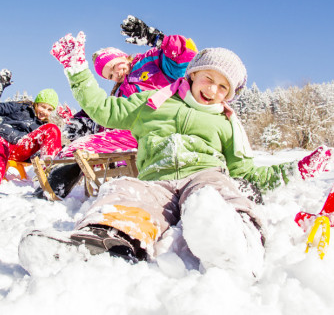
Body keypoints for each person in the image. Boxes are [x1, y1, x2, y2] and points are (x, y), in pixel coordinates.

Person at [19, 34, 334, 277]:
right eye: (209, 78)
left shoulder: (226, 122)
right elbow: (103, 109)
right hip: (158, 178)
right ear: (194, 74)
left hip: (204, 174)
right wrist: (77, 70)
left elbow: (246, 173)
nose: (213, 89)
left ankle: (236, 241)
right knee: (125, 190)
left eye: (224, 87)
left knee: (214, 193)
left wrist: (297, 170)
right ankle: (97, 242)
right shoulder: (154, 102)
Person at [34, 16, 198, 199]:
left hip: (163, 127)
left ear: (121, 56)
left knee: (86, 146)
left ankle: (51, 190)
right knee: (80, 147)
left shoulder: (151, 61)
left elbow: (186, 59)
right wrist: (84, 121)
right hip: (133, 134)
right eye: (110, 75)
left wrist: (156, 39)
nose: (115, 75)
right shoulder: (119, 92)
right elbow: (111, 114)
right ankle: (49, 189)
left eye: (113, 66)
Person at [0, 69, 62, 196]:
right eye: (42, 106)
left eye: (49, 109)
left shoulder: (42, 127)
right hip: (1, 138)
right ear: (35, 103)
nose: (45, 112)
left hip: (21, 148)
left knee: (52, 128)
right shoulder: (20, 107)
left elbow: (38, 151)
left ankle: (48, 174)